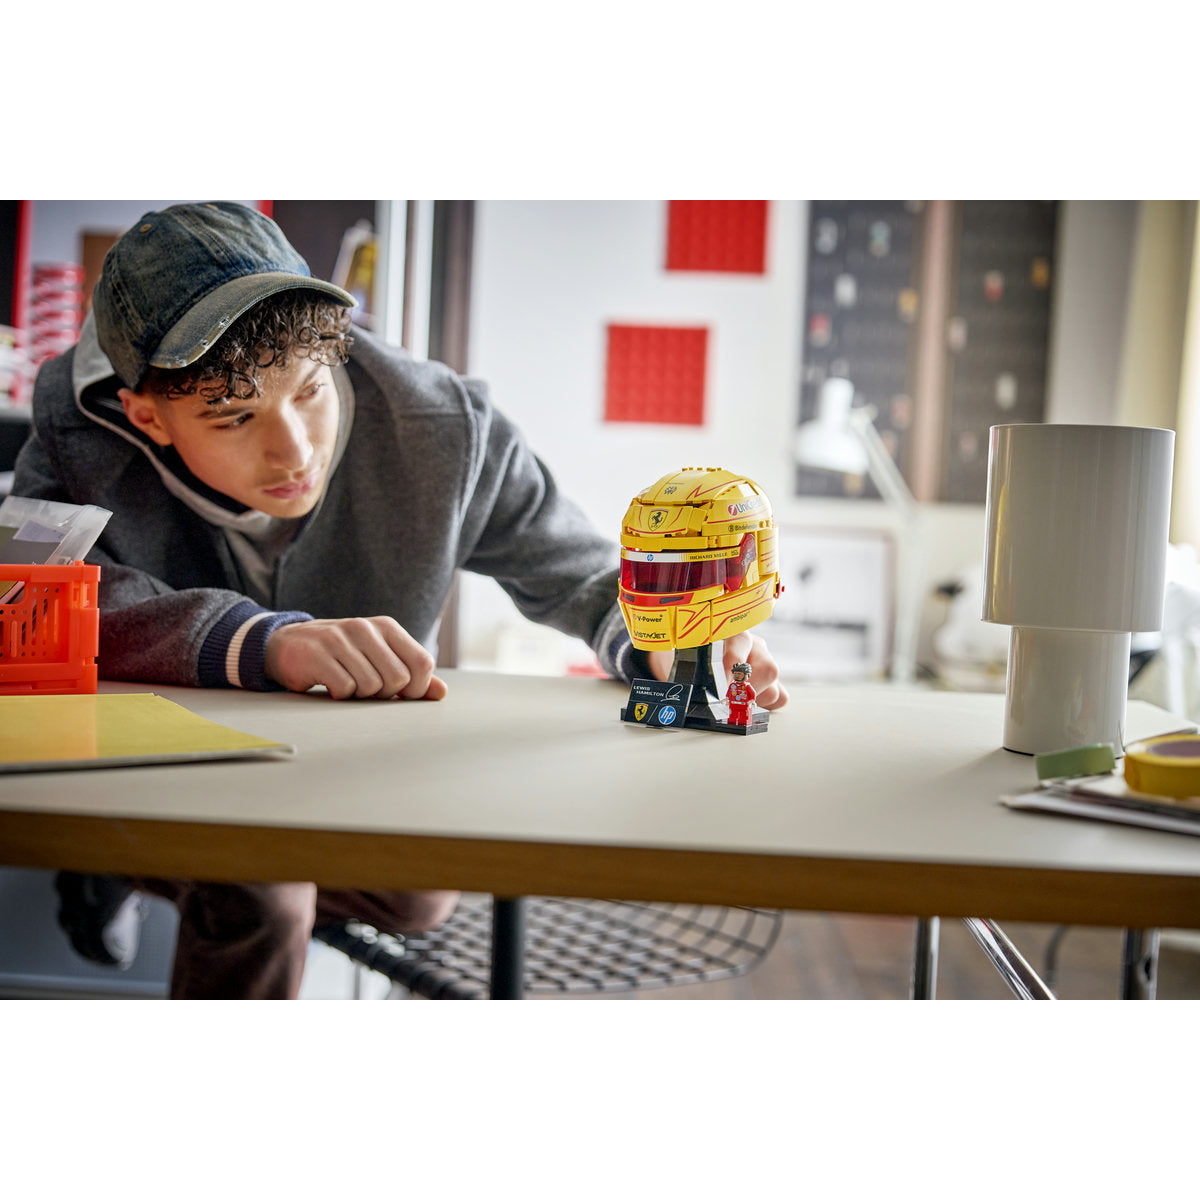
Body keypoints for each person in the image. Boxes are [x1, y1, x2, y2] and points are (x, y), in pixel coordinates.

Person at [12, 201, 788, 998]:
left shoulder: (444, 428)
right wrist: (258, 642)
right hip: (159, 757)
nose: (294, 451)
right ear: (149, 417)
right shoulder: (78, 436)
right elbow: (26, 600)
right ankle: (126, 863)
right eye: (236, 417)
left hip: (337, 769)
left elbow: (585, 578)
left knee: (418, 893)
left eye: (310, 391)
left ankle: (127, 867)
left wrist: (670, 638)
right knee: (264, 894)